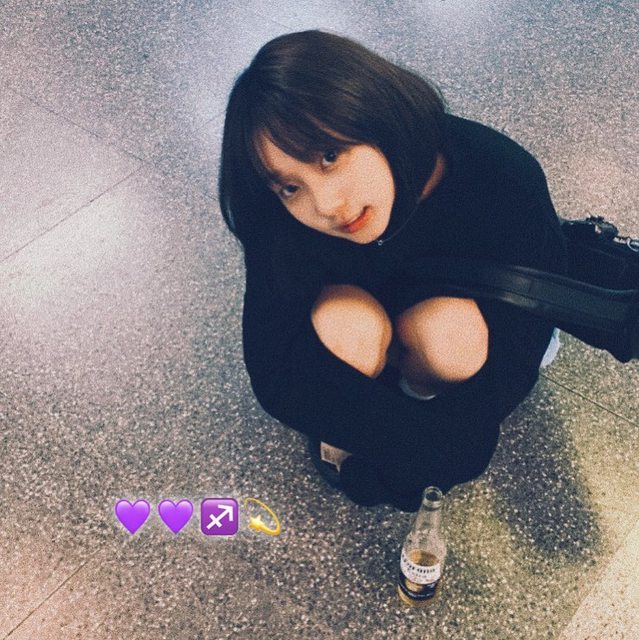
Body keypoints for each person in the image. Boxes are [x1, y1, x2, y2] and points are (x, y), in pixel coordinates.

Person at [218, 29, 567, 512]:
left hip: (453, 319)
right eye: (290, 187)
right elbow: (275, 365)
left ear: (373, 111)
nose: (327, 205)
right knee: (346, 333)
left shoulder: (499, 173)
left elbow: (524, 334)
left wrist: (449, 438)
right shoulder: (277, 219)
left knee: (452, 339)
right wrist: (408, 452)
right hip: (360, 321)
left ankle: (415, 393)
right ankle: (369, 411)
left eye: (330, 156)